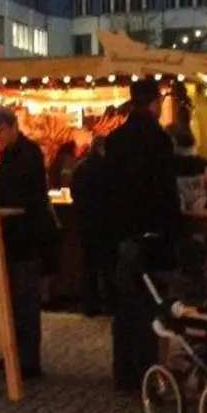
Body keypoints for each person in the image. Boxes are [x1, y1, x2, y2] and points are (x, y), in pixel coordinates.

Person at [102, 79, 183, 390]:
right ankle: (147, 372)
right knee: (150, 305)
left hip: (122, 233)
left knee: (126, 306)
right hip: (151, 235)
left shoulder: (115, 139)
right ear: (154, 103)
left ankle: (124, 372)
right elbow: (165, 190)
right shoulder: (158, 140)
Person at [0, 107, 52, 380]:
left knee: (25, 300)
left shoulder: (28, 153)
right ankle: (13, 352)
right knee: (11, 300)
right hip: (10, 236)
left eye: (0, 130)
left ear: (13, 127)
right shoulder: (11, 153)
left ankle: (29, 359)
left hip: (26, 237)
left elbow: (17, 184)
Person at [70, 136, 114, 317]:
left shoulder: (79, 168)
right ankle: (110, 303)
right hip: (105, 222)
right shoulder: (109, 169)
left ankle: (89, 305)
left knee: (88, 264)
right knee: (108, 265)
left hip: (84, 221)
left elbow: (73, 193)